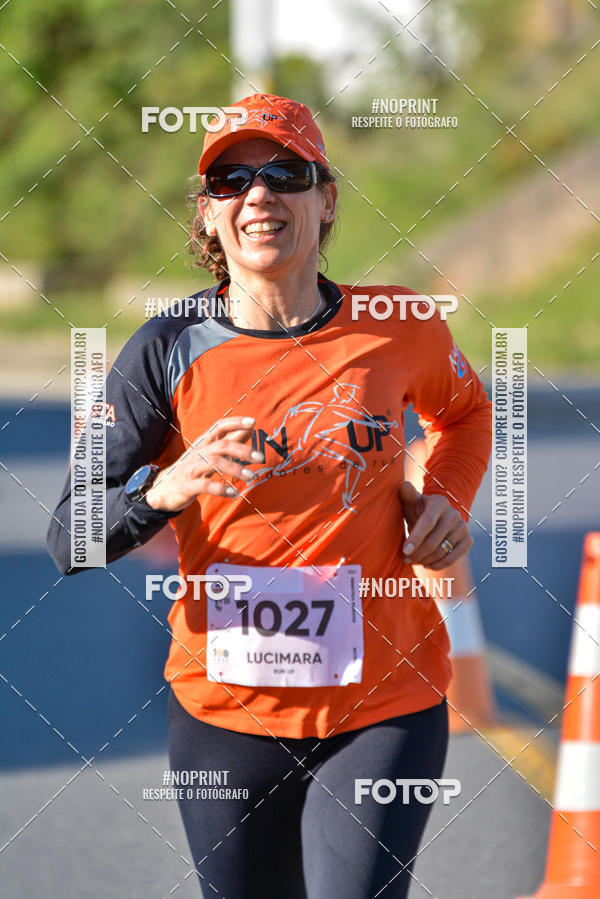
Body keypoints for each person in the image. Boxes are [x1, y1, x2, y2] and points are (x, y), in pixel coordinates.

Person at [48, 92, 492, 899]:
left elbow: (464, 411)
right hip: (227, 714)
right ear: (210, 216)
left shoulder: (399, 325)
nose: (259, 195)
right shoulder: (166, 348)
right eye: (231, 180)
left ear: (326, 201)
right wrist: (168, 486)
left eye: (286, 172)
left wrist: (448, 499)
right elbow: (69, 533)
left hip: (384, 702)